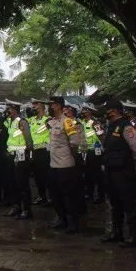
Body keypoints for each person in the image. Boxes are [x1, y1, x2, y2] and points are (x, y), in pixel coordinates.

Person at [100, 99, 136, 248]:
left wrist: (133, 166)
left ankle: (134, 236)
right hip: (111, 171)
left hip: (124, 172)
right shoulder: (111, 126)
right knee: (115, 203)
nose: (105, 112)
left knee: (128, 203)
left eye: (107, 109)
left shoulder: (126, 127)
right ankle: (117, 233)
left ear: (114, 110)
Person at [47, 96, 86, 234]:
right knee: (55, 194)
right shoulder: (52, 122)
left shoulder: (67, 121)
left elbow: (75, 142)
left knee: (68, 195)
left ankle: (73, 223)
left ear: (57, 106)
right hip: (53, 164)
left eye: (51, 105)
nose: (49, 107)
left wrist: (67, 152)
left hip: (65, 164)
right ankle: (61, 219)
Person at [2, 100, 34, 220]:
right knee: (12, 183)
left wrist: (29, 154)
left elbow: (28, 140)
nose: (7, 111)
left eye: (9, 109)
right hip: (11, 155)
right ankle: (16, 207)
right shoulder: (10, 122)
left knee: (22, 184)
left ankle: (26, 210)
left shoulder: (22, 122)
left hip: (21, 157)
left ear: (15, 109)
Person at [28, 98, 52, 207]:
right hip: (35, 151)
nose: (33, 106)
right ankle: (41, 196)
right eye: (33, 104)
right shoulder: (31, 120)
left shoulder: (48, 120)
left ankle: (51, 197)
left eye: (36, 104)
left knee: (47, 176)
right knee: (38, 177)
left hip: (45, 151)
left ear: (42, 105)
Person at [81, 103, 105, 204]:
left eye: (84, 109)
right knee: (87, 175)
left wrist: (103, 149)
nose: (82, 111)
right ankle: (89, 193)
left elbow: (102, 136)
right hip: (85, 152)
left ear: (89, 111)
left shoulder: (95, 123)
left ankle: (101, 195)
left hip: (96, 152)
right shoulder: (82, 123)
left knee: (98, 175)